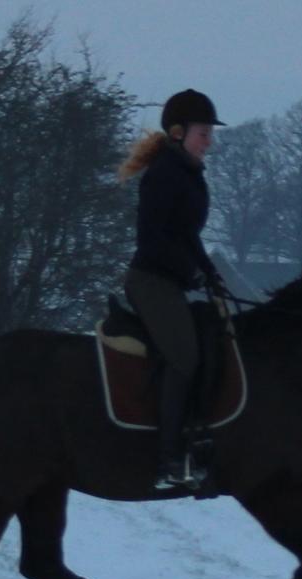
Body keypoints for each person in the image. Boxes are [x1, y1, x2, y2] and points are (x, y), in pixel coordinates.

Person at [118, 89, 226, 490]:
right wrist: (190, 272)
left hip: (171, 279)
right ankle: (167, 460)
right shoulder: (164, 174)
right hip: (151, 281)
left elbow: (187, 235)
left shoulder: (189, 174)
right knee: (184, 357)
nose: (209, 141)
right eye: (203, 133)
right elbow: (153, 240)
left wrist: (210, 274)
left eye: (210, 134)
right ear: (179, 133)